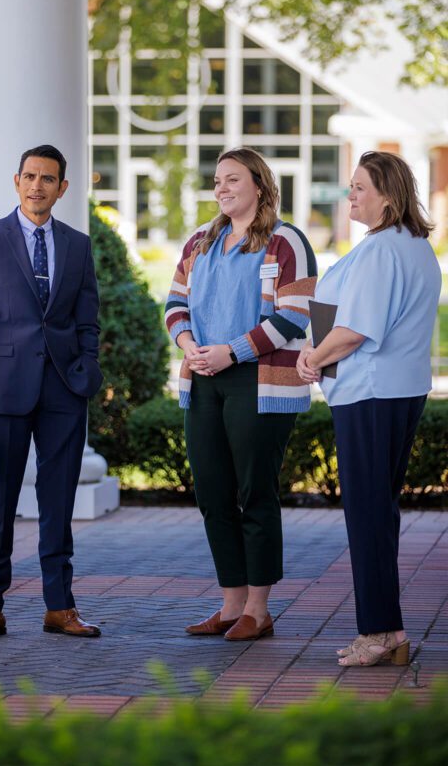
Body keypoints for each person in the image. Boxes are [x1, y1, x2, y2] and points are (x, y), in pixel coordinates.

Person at [165, 148, 317, 641]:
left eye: (232, 179)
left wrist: (231, 352)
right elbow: (174, 304)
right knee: (212, 491)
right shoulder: (199, 242)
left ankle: (259, 607)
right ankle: (230, 604)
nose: (222, 188)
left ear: (259, 184)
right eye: (217, 181)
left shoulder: (285, 240)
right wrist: (190, 348)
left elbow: (296, 313)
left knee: (254, 491)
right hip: (203, 378)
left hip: (260, 380)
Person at [296, 151, 441, 667]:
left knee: (368, 514)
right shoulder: (414, 246)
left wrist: (313, 356)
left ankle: (379, 633)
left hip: (370, 393)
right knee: (378, 512)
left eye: (359, 187)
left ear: (388, 195)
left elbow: (357, 329)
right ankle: (388, 631)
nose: (351, 195)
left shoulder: (383, 250)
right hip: (394, 390)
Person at [0, 144, 103, 642]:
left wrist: (89, 371)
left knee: (58, 501)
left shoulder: (79, 245)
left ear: (63, 188)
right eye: (29, 176)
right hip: (2, 396)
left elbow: (89, 319)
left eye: (48, 179)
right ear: (16, 181)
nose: (37, 185)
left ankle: (59, 607)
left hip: (65, 391)